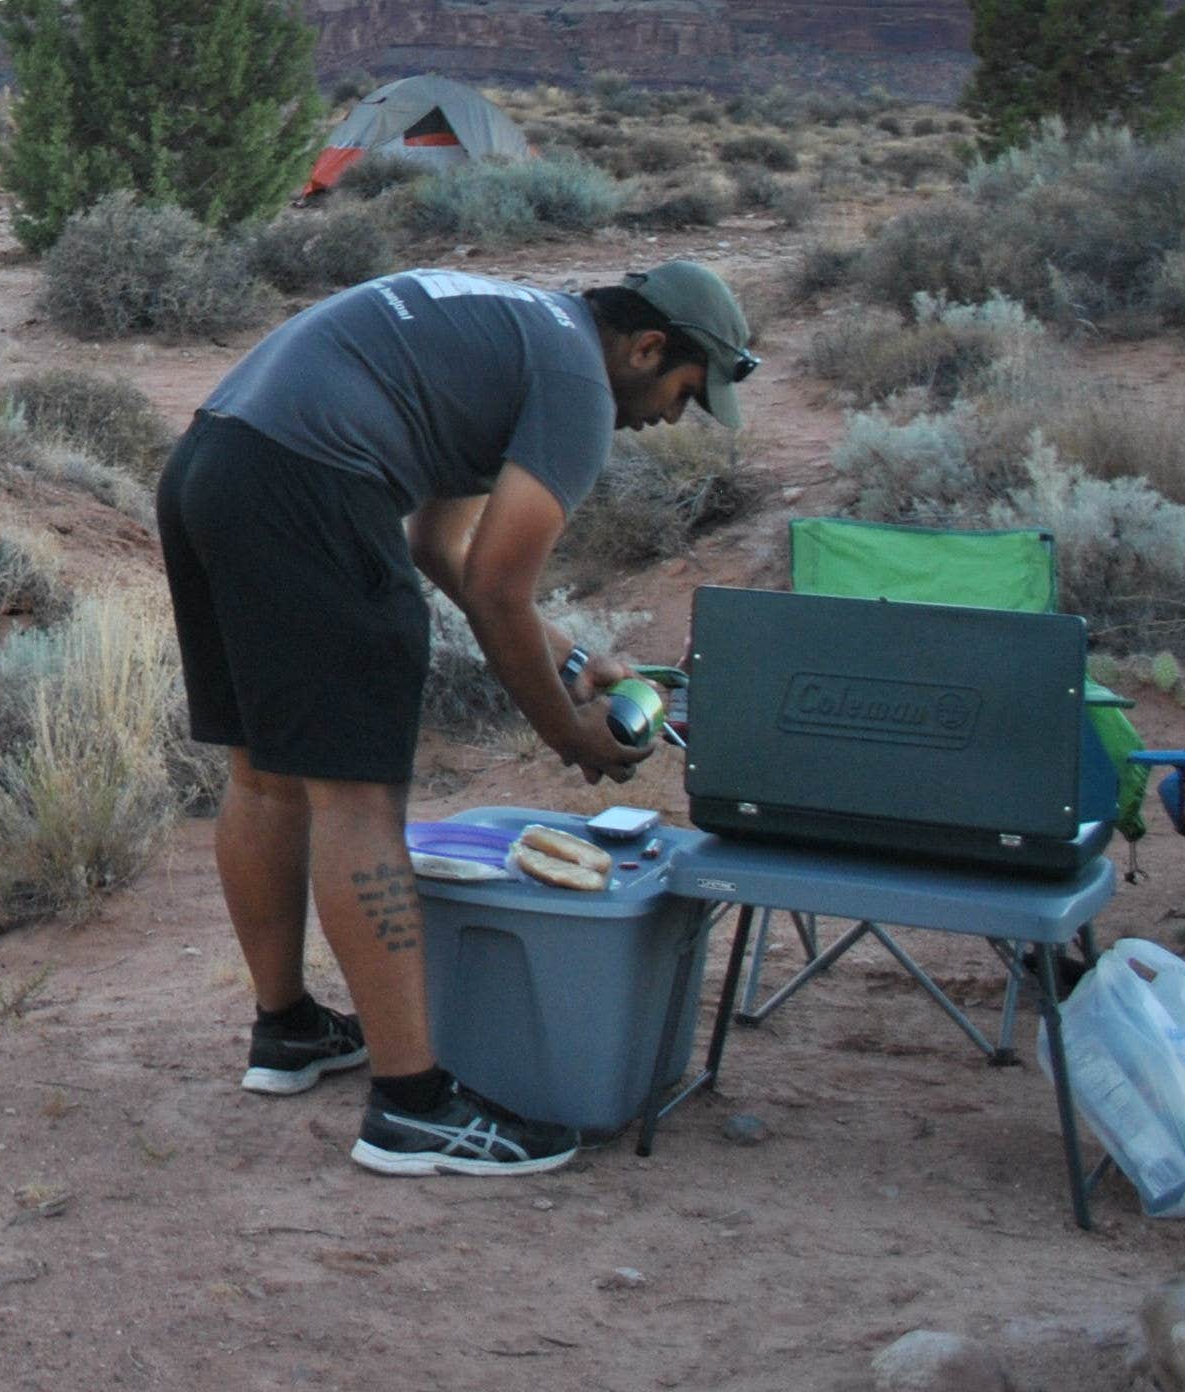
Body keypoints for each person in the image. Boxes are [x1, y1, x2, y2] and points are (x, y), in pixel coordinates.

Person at [152, 257, 758, 1177]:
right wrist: (568, 735)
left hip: (214, 466)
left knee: (264, 773)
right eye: (685, 391)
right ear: (645, 346)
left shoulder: (523, 327)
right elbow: (495, 584)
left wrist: (573, 661)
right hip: (312, 485)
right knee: (357, 800)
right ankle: (412, 1106)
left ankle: (288, 1031)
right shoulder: (578, 387)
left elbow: (442, 545)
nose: (674, 416)